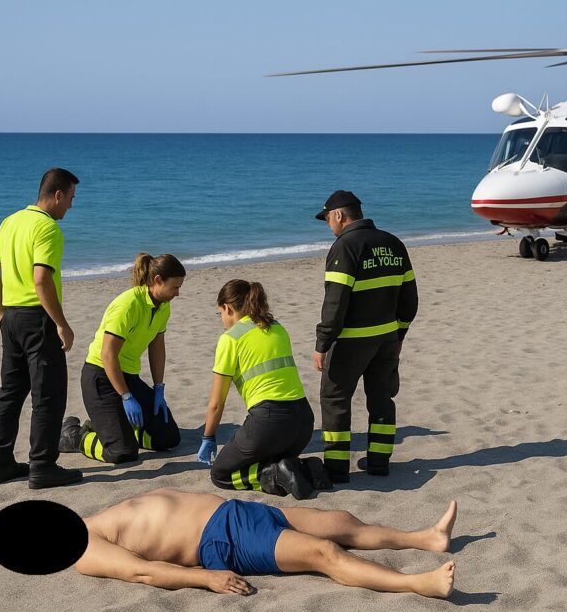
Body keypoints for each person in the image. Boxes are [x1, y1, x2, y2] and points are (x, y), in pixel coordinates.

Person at [76, 488, 456, 598]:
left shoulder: (92, 518)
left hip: (235, 512)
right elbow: (143, 572)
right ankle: (418, 584)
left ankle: (425, 538)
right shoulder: (85, 550)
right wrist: (206, 579)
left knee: (339, 523)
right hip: (222, 540)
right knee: (324, 553)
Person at [0, 167, 83, 489]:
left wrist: (1, 311)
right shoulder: (47, 228)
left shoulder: (10, 221)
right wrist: (61, 324)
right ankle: (43, 466)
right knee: (48, 395)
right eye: (70, 198)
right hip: (37, 319)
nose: (70, 205)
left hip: (11, 317)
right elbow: (41, 279)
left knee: (9, 394)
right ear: (57, 195)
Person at [313, 191, 418, 483]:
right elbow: (410, 299)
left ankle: (336, 468)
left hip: (349, 342)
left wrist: (322, 344)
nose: (328, 226)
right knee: (381, 398)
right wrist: (399, 334)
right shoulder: (393, 243)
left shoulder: (344, 247)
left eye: (327, 219)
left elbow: (335, 303)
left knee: (335, 400)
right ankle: (379, 462)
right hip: (386, 339)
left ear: (338, 215)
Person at [198, 280, 319, 500]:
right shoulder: (277, 327)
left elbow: (216, 403)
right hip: (303, 423)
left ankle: (274, 474)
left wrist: (208, 437)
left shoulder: (230, 339)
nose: (222, 321)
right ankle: (306, 469)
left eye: (220, 314)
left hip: (269, 423)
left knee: (221, 474)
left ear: (227, 308)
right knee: (270, 458)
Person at [59, 254, 183, 463]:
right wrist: (126, 396)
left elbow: (157, 346)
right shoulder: (128, 305)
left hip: (128, 377)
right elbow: (107, 355)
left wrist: (159, 388)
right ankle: (75, 435)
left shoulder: (163, 305)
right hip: (101, 376)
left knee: (168, 438)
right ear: (158, 281)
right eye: (174, 287)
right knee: (121, 452)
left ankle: (117, 429)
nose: (178, 293)